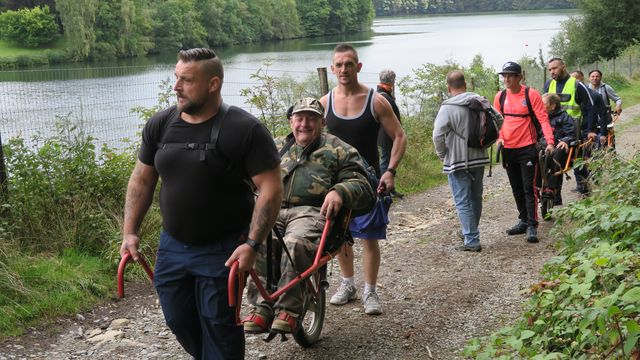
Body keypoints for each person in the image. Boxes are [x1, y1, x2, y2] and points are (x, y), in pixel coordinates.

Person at [119, 48, 283, 360]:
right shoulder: (161, 124)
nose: (176, 86)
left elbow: (271, 190)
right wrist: (130, 232)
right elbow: (141, 179)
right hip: (172, 247)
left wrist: (252, 243)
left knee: (220, 326)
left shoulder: (244, 129)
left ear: (213, 84)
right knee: (178, 320)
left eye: (187, 80)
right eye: (176, 78)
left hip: (224, 249)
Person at [242, 97, 375, 333]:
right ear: (291, 121)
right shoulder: (275, 148)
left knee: (295, 243)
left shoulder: (340, 149)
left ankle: (289, 309)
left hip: (313, 212)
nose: (305, 124)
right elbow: (250, 177)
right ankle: (261, 307)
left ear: (322, 122)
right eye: (299, 118)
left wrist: (340, 191)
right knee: (258, 242)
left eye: (312, 118)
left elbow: (363, 186)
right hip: (274, 209)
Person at [320, 43, 407, 315]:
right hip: (335, 185)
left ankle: (370, 291)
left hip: (367, 181)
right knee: (339, 236)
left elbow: (400, 136)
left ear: (358, 67)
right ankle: (348, 285)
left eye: (349, 64)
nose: (344, 69)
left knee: (368, 237)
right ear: (333, 69)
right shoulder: (324, 103)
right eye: (339, 65)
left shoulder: (375, 100)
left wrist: (389, 171)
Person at [494, 61, 555, 244]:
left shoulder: (531, 94)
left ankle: (532, 225)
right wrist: (499, 139)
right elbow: (496, 122)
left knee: (529, 187)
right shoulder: (500, 96)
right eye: (504, 76)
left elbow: (543, 119)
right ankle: (522, 219)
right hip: (508, 149)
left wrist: (550, 142)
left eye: (510, 75)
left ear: (519, 77)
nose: (506, 79)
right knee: (516, 187)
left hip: (527, 147)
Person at [432, 70, 490, 252]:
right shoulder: (480, 101)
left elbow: (437, 136)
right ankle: (470, 231)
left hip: (457, 160)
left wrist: (443, 155)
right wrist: (487, 142)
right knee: (476, 197)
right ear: (465, 85)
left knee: (462, 201)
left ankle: (471, 239)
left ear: (449, 88)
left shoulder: (447, 107)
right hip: (479, 157)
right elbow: (499, 119)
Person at [545, 58, 597, 195]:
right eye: (550, 69)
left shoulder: (577, 85)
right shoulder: (549, 85)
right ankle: (555, 197)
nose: (552, 72)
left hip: (574, 131)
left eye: (554, 68)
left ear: (563, 67)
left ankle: (584, 191)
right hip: (554, 131)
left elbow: (590, 108)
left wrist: (589, 130)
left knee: (577, 162)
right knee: (555, 161)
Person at [540, 93, 577, 206]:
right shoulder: (540, 117)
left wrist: (565, 141)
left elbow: (572, 134)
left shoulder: (564, 117)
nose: (540, 106)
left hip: (560, 147)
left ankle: (552, 190)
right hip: (544, 145)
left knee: (557, 153)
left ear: (553, 106)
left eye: (543, 104)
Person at [376, 69, 404, 198]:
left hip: (386, 135)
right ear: (392, 81)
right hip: (386, 135)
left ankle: (389, 189)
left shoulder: (382, 93)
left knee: (388, 161)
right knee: (386, 162)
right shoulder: (383, 96)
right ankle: (384, 190)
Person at [588, 69, 623, 145]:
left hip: (605, 118)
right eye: (592, 76)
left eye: (597, 76)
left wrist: (618, 105)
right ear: (589, 78)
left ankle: (610, 154)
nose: (595, 78)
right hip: (590, 119)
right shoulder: (586, 89)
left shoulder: (606, 88)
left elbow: (617, 99)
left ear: (600, 77)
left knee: (608, 140)